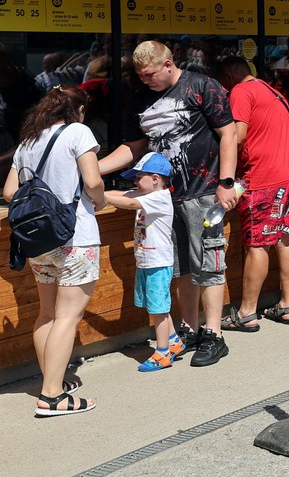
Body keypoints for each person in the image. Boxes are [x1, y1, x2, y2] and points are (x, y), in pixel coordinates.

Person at [98, 41, 238, 367]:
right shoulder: (141, 97)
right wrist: (95, 168)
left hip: (204, 190)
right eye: (140, 75)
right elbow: (133, 147)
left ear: (168, 64)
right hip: (164, 198)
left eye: (150, 74)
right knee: (180, 269)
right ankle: (189, 328)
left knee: (209, 263)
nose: (146, 80)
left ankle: (214, 334)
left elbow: (229, 134)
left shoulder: (202, 85)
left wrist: (227, 181)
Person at [3, 87, 106, 415]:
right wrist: (100, 200)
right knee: (68, 316)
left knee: (47, 314)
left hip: (41, 241)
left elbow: (8, 192)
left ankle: (53, 381)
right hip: (76, 236)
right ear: (76, 108)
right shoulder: (78, 132)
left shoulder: (27, 143)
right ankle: (51, 397)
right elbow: (92, 181)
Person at [214, 57, 289, 331]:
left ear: (229, 77)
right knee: (287, 239)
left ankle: (246, 312)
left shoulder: (241, 92)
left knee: (258, 244)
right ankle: (287, 306)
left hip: (265, 180)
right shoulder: (274, 92)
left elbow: (237, 135)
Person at [105, 153, 181, 372]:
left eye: (139, 177)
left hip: (157, 262)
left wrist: (103, 198)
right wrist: (96, 193)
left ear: (156, 178)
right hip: (146, 260)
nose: (135, 182)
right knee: (159, 306)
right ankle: (174, 340)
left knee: (158, 310)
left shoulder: (159, 197)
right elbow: (122, 193)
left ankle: (163, 353)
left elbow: (128, 201)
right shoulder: (145, 194)